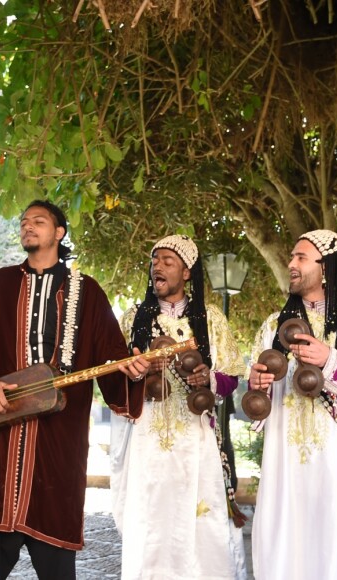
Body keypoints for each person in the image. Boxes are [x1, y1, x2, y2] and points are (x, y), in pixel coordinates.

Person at [0, 199, 150, 580]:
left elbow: (111, 358)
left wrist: (134, 371)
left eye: (38, 221)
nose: (28, 226)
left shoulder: (88, 292)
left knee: (56, 561)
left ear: (59, 233)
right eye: (24, 221)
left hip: (59, 443)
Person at [111, 234, 248, 579]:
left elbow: (232, 375)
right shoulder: (133, 320)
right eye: (154, 261)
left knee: (200, 531)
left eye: (167, 261)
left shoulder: (211, 319)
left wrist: (208, 378)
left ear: (187, 273)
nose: (157, 266)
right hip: (145, 443)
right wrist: (136, 373)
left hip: (195, 440)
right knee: (150, 529)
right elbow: (113, 382)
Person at [248, 229, 337, 580]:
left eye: (301, 257)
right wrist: (258, 388)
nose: (291, 264)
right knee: (286, 543)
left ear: (326, 268)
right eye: (291, 257)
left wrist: (330, 359)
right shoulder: (271, 328)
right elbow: (256, 401)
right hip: (286, 462)